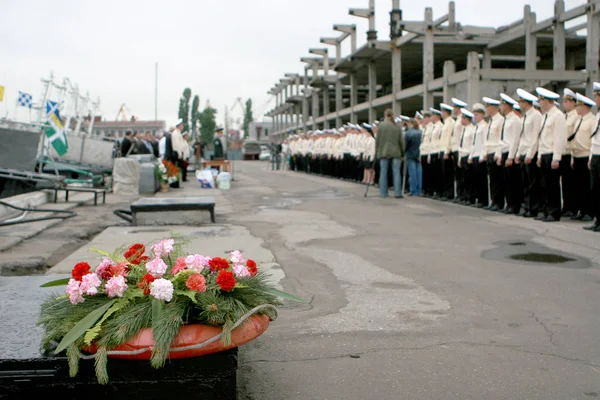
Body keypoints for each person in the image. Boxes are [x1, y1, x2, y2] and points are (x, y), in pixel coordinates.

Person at [535, 87, 567, 222]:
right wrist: (539, 156)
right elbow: (542, 138)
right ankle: (548, 210)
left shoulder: (558, 116)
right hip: (545, 154)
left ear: (547, 101)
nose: (539, 103)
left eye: (541, 100)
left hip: (552, 154)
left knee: (553, 185)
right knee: (545, 184)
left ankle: (554, 212)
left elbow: (559, 138)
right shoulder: (546, 116)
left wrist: (556, 158)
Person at [516, 88, 544, 218]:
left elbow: (534, 138)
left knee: (533, 183)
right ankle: (527, 206)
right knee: (525, 183)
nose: (519, 104)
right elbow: (522, 138)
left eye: (520, 102)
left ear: (526, 102)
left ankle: (534, 207)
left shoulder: (536, 115)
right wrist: (518, 154)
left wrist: (530, 154)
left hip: (530, 153)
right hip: (523, 152)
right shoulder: (525, 117)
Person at [570, 93, 595, 222]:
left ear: (585, 106)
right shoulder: (579, 120)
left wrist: (590, 158)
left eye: (578, 106)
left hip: (586, 155)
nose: (577, 109)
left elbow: (592, 141)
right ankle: (581, 209)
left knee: (586, 187)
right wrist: (573, 158)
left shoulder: (592, 120)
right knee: (578, 187)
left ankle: (588, 211)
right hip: (577, 155)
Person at [496, 93, 522, 214]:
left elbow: (515, 139)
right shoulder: (506, 120)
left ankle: (514, 205)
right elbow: (502, 140)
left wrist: (511, 156)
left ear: (507, 105)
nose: (500, 107)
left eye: (502, 104)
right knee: (506, 181)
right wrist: (500, 154)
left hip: (510, 153)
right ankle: (509, 203)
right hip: (504, 152)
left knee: (513, 182)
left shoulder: (515, 120)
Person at [376, 108, 405, 198]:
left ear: (385, 115)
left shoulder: (381, 125)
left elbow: (378, 140)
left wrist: (377, 151)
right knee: (396, 172)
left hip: (383, 151)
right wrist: (402, 153)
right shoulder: (397, 126)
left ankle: (383, 193)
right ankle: (397, 192)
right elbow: (401, 141)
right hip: (396, 151)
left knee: (383, 172)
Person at [584, 82, 600, 232]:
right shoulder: (598, 115)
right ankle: (597, 220)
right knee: (595, 190)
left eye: (597, 97)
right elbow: (594, 138)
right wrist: (590, 157)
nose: (595, 100)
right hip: (595, 155)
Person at [561, 88, 579, 217]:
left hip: (570, 152)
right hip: (563, 152)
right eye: (564, 101)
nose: (565, 103)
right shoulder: (563, 116)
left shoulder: (576, 116)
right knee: (565, 183)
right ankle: (567, 206)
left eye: (567, 101)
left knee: (571, 182)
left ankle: (573, 207)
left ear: (573, 103)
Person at [457, 109, 476, 205]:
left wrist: (470, 157)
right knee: (463, 178)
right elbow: (461, 145)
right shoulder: (464, 129)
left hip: (468, 154)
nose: (461, 120)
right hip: (463, 155)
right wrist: (460, 158)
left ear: (466, 119)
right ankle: (465, 196)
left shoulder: (472, 129)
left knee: (469, 179)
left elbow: (472, 145)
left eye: (462, 118)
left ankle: (470, 197)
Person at [471, 103, 489, 208]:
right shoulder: (476, 127)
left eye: (477, 114)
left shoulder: (484, 126)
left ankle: (484, 200)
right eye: (474, 114)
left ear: (482, 115)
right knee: (476, 179)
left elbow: (484, 142)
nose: (475, 116)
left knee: (482, 179)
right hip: (475, 155)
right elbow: (473, 144)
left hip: (480, 155)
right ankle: (479, 199)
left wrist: (483, 155)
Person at [439, 103, 456, 200]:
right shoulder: (446, 122)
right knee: (444, 174)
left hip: (446, 151)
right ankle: (446, 192)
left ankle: (449, 193)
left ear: (446, 112)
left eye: (442, 111)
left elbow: (449, 138)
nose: (442, 113)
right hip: (442, 149)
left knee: (448, 174)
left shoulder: (450, 123)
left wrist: (446, 152)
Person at [405, 118, 422, 196]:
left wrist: (403, 153)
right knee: (419, 173)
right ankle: (419, 190)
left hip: (410, 154)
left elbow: (406, 145)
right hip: (419, 154)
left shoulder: (408, 133)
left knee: (412, 173)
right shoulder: (420, 131)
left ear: (410, 123)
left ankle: (413, 190)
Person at [420, 112, 434, 197]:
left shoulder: (432, 127)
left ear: (429, 118)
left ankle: (429, 190)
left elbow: (430, 142)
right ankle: (425, 190)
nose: (424, 119)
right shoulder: (425, 128)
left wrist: (429, 154)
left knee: (429, 173)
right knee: (424, 172)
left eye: (425, 118)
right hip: (423, 151)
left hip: (428, 151)